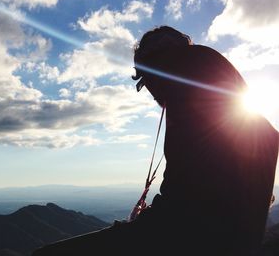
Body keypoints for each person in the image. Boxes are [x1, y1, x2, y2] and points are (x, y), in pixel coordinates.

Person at [32, 26, 279, 256]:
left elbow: (183, 209)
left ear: (156, 69)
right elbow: (203, 187)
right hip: (232, 240)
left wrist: (146, 223)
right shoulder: (227, 95)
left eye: (146, 80)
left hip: (194, 240)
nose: (150, 93)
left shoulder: (187, 96)